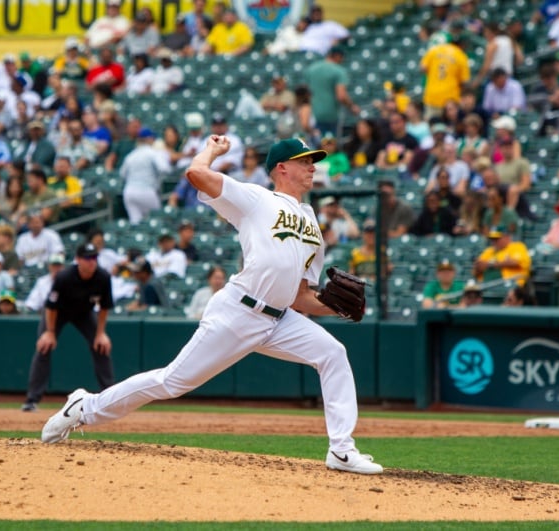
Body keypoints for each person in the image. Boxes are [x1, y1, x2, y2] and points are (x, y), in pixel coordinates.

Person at [40, 136, 384, 476]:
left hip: (279, 320)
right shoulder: (257, 199)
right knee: (172, 382)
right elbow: (196, 174)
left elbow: (299, 296)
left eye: (313, 162)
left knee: (332, 353)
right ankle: (85, 406)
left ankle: (341, 450)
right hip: (239, 311)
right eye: (305, 161)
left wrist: (336, 307)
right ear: (282, 168)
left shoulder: (312, 223)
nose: (312, 167)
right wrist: (213, 150)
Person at [22, 243, 114, 412]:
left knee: (101, 346)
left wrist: (101, 333)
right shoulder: (64, 276)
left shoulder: (103, 277)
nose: (91, 261)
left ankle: (110, 399)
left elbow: (104, 307)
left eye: (94, 257)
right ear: (78, 260)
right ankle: (31, 400)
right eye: (87, 258)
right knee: (44, 346)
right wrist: (49, 333)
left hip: (84, 313)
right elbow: (50, 306)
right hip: (58, 313)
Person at [304, 47, 359, 136]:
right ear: (337, 56)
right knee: (329, 146)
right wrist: (352, 106)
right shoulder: (338, 70)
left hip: (311, 115)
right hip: (330, 116)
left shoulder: (311, 69)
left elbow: (305, 92)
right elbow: (341, 96)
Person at [120, 127, 170, 224]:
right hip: (146, 191)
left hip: (129, 192)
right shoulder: (153, 153)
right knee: (156, 220)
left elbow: (122, 174)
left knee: (135, 223)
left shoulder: (131, 155)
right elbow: (165, 169)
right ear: (149, 139)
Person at [420, 33, 470, 120]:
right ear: (462, 45)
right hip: (450, 99)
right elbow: (465, 81)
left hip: (432, 95)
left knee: (431, 126)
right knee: (450, 127)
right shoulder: (461, 56)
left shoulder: (435, 50)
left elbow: (422, 68)